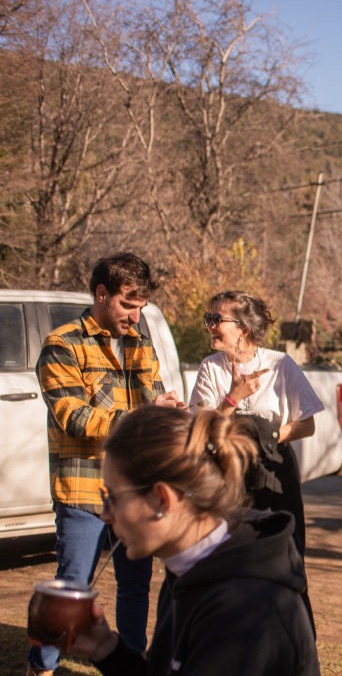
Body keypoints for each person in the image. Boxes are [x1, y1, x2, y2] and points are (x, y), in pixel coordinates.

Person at [68, 405, 320, 675]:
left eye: (112, 498)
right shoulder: (190, 569)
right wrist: (105, 648)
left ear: (162, 500)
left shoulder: (242, 609)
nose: (104, 515)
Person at [30, 252, 182, 676]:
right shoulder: (62, 344)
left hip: (134, 490)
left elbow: (152, 400)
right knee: (72, 587)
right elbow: (74, 417)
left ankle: (130, 664)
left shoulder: (141, 344)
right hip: (83, 488)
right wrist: (141, 415)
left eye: (141, 307)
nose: (136, 316)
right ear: (101, 294)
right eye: (128, 305)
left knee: (135, 587)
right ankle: (42, 668)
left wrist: (167, 410)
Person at [187, 291, 324, 557]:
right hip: (227, 471)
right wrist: (232, 399)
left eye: (216, 319)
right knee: (230, 555)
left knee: (281, 553)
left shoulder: (280, 364)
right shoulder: (210, 368)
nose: (209, 326)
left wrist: (264, 437)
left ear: (244, 329)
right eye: (208, 318)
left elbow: (307, 425)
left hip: (273, 469)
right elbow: (201, 430)